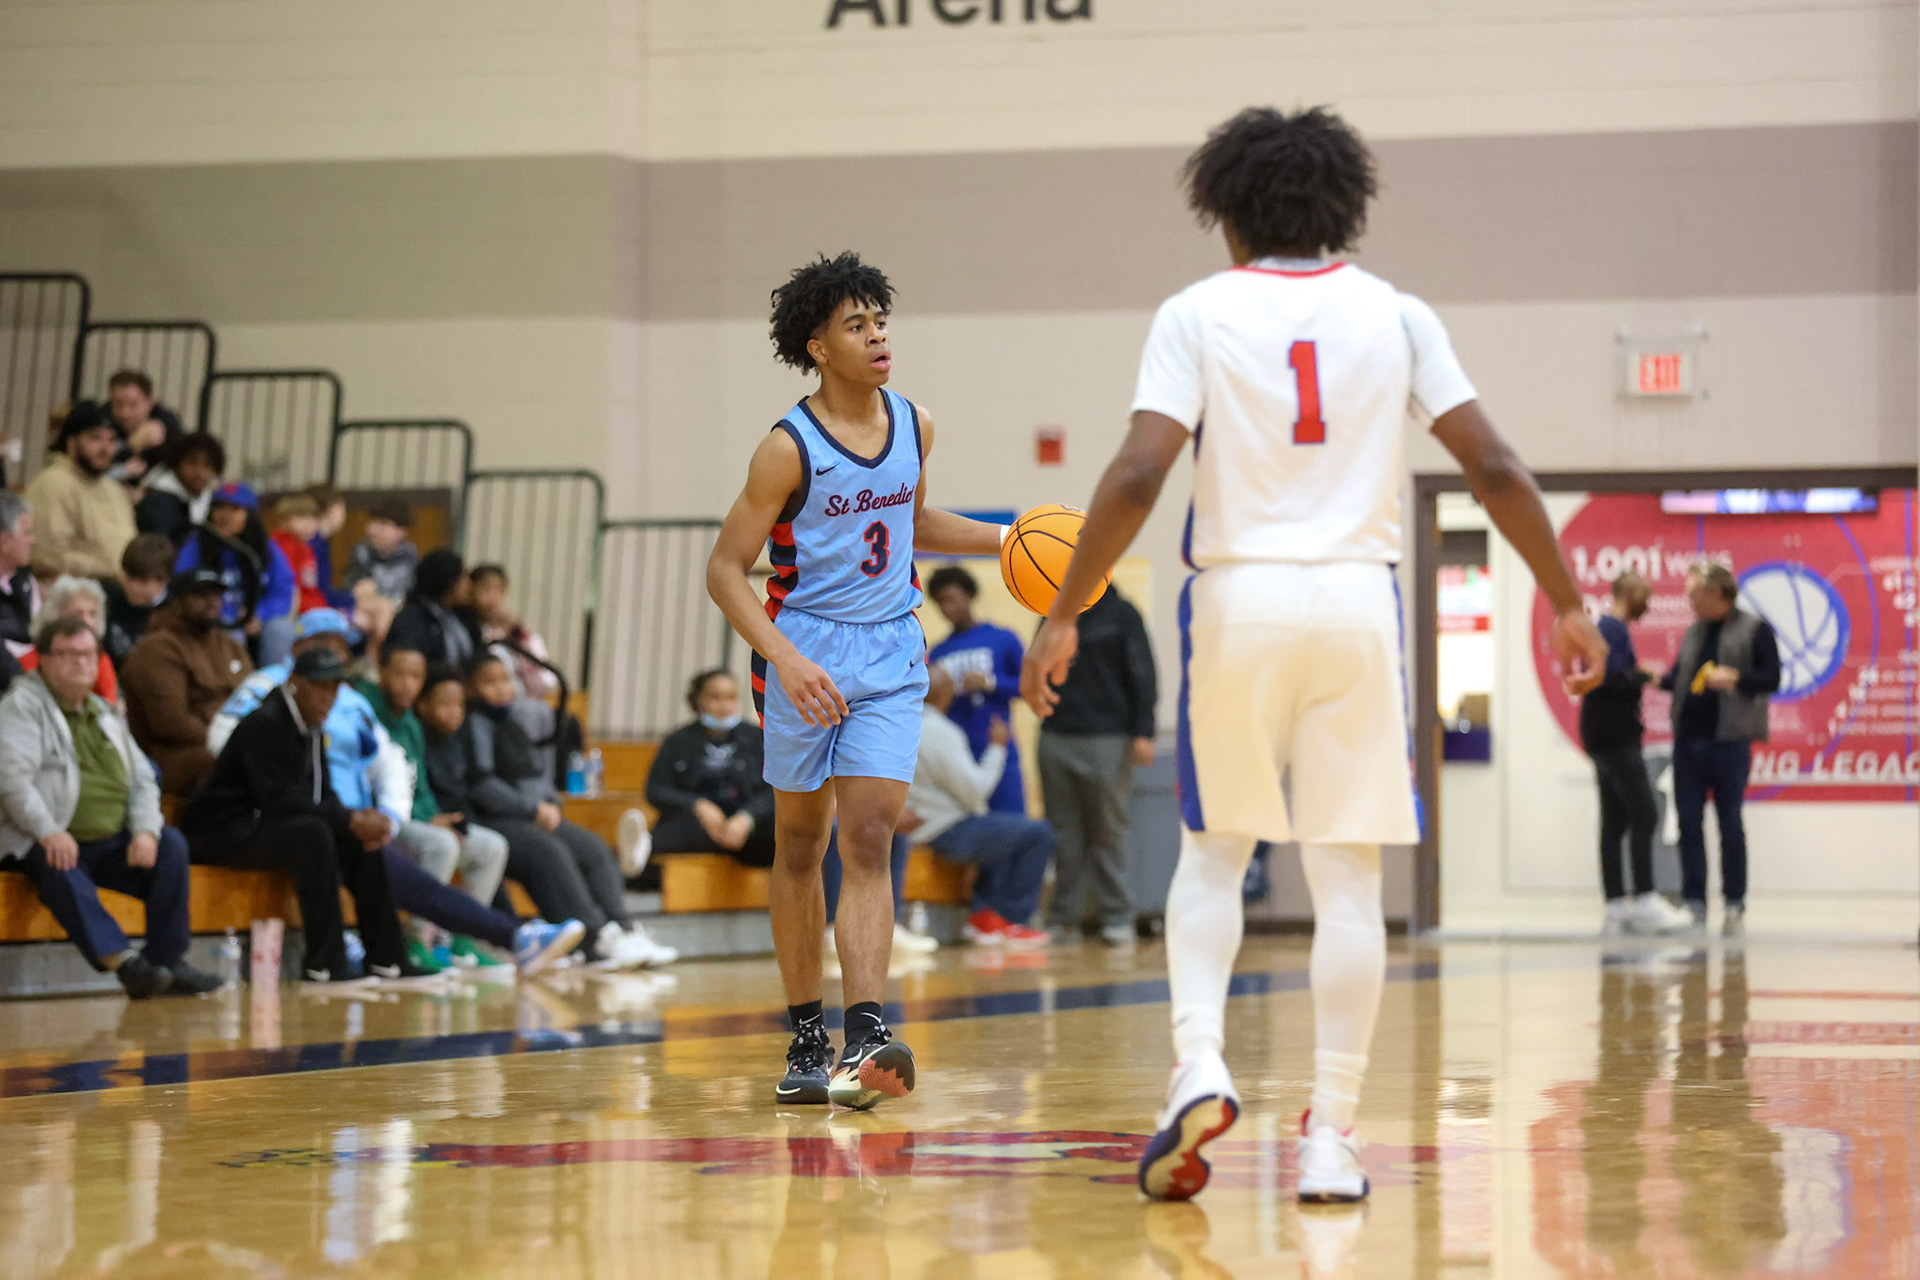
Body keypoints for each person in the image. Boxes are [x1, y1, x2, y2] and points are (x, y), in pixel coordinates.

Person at [1021, 106, 1608, 1204]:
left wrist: (1062, 610)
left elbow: (1141, 474)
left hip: (1237, 596)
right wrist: (1569, 602)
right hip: (1355, 599)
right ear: (1348, 206)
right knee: (1347, 877)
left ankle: (1199, 1060)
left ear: (1226, 212)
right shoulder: (1397, 314)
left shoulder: (1197, 312)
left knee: (1210, 851)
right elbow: (1494, 463)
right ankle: (1331, 1136)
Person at [705, 251, 1004, 1110]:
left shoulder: (916, 423)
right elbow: (727, 571)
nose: (877, 337)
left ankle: (866, 1031)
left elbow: (912, 523)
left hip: (890, 650)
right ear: (818, 347)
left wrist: (1012, 536)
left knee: (869, 836)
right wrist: (785, 660)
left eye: (881, 322)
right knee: (801, 844)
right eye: (856, 326)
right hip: (803, 652)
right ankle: (806, 1032)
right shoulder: (785, 449)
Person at [0, 617, 219, 998]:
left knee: (170, 844)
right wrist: (50, 830)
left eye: (87, 655)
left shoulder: (105, 713)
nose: (80, 663)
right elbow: (12, 781)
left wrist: (145, 830)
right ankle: (124, 962)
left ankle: (165, 963)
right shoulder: (20, 707)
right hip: (43, 836)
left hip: (108, 841)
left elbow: (142, 779)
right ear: (44, 661)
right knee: (59, 859)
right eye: (67, 655)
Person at [464, 653, 677, 969]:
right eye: (489, 682)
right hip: (497, 820)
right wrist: (532, 808)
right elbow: (482, 785)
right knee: (550, 852)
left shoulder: (516, 721)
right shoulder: (474, 723)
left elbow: (537, 775)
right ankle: (593, 939)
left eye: (504, 680)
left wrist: (550, 803)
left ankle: (623, 928)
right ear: (470, 687)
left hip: (536, 816)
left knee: (593, 848)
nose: (500, 689)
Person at [358, 645, 513, 968]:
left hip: (418, 819)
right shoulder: (365, 712)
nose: (406, 683)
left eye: (415, 676)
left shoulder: (412, 724)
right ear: (382, 672)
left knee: (491, 846)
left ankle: (463, 938)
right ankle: (416, 940)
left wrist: (433, 817)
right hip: (383, 822)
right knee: (440, 845)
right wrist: (426, 821)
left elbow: (421, 787)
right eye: (399, 673)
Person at [1660, 563, 1780, 938]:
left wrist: (1736, 679)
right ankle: (1694, 900)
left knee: (1730, 822)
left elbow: (1772, 678)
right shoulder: (1694, 631)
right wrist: (1653, 677)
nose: (1690, 601)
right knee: (1688, 823)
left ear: (1716, 593)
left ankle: (1734, 902)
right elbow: (1680, 676)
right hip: (1688, 741)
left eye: (1695, 593)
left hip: (1730, 741)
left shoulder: (1754, 629)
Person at [1037, 582, 1158, 946]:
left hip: (1109, 737)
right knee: (1063, 833)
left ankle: (1118, 916)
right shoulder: (1051, 610)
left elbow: (1143, 672)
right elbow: (1038, 668)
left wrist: (1144, 731)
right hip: (1056, 735)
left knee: (1109, 829)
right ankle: (1063, 918)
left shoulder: (1123, 613)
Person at [910, 666, 1053, 948]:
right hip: (946, 830)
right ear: (946, 694)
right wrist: (998, 748)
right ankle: (1012, 920)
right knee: (1038, 834)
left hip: (921, 829)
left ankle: (985, 918)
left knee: (1000, 833)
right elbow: (974, 790)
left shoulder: (904, 727)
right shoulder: (939, 731)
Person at [1581, 572, 1691, 937]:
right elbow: (1608, 679)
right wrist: (1640, 677)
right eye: (1644, 597)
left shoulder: (1609, 630)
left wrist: (1634, 674)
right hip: (1615, 736)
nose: (1648, 605)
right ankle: (1644, 896)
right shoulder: (1612, 629)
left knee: (1613, 820)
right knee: (1643, 813)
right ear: (1628, 594)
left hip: (1602, 735)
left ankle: (1616, 901)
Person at [120, 569, 251, 798]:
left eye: (216, 595)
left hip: (233, 741)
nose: (211, 601)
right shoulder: (158, 648)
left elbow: (256, 696)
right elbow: (171, 722)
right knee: (224, 764)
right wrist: (229, 744)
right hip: (174, 754)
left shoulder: (230, 646)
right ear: (177, 602)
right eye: (200, 595)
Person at [645, 669, 774, 869]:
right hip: (697, 827)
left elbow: (773, 790)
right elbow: (656, 789)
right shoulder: (677, 741)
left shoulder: (757, 738)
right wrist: (697, 805)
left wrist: (747, 817)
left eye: (731, 697)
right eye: (715, 697)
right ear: (698, 700)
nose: (724, 705)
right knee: (671, 831)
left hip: (749, 831)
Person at [925, 565, 1027, 814]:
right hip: (955, 753)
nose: (947, 609)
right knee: (972, 834)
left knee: (1013, 825)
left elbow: (1027, 686)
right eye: (940, 603)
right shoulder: (939, 652)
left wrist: (991, 683)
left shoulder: (1003, 638)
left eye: (952, 599)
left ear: (969, 594)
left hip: (997, 744)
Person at [174, 482, 297, 667]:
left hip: (257, 620)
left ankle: (273, 686)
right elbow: (183, 587)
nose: (226, 515)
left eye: (235, 509)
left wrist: (259, 614)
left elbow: (283, 590)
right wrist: (228, 615)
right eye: (220, 507)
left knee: (281, 629)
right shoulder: (196, 545)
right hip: (215, 620)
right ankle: (235, 688)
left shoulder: (266, 548)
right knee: (231, 634)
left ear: (250, 515)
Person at [25, 400, 137, 581]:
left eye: (112, 440)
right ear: (71, 440)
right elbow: (46, 557)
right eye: (95, 438)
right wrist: (110, 570)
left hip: (121, 591)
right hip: (73, 597)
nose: (106, 449)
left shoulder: (113, 489)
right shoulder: (54, 483)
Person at [17, 576, 120, 703]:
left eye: (92, 614)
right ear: (54, 617)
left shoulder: (101, 660)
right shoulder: (29, 663)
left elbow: (109, 707)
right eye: (76, 614)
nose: (86, 622)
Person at [470, 563, 558, 697]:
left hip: (523, 694)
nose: (492, 597)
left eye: (498, 590)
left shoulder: (515, 629)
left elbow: (548, 676)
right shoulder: (469, 628)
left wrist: (517, 633)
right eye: (485, 589)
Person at [387, 549, 480, 671]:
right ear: (448, 580)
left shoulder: (465, 616)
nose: (469, 584)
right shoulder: (413, 619)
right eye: (463, 577)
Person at [134, 431, 226, 547]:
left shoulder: (211, 500)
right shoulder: (159, 500)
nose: (200, 472)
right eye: (192, 463)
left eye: (207, 465)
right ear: (175, 465)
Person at [102, 533, 176, 666]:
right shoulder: (107, 596)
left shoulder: (175, 613)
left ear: (165, 580)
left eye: (144, 582)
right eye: (129, 577)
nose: (133, 587)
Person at [105, 370, 184, 482]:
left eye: (133, 404)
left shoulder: (167, 426)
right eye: (118, 404)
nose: (125, 413)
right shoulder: (102, 422)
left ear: (150, 403)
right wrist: (131, 446)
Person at [344, 499, 419, 607]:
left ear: (401, 530)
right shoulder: (361, 554)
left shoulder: (410, 558)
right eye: (371, 522)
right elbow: (353, 592)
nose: (371, 530)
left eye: (382, 524)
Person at [0, 491, 40, 670]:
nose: (33, 540)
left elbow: (40, 636)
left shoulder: (25, 581)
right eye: (28, 533)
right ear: (4, 541)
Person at [269, 494, 328, 614]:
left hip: (312, 605)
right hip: (294, 609)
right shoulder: (283, 546)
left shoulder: (306, 546)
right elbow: (291, 588)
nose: (309, 522)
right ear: (283, 521)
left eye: (313, 517)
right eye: (301, 517)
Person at [302, 485, 357, 611]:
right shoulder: (313, 543)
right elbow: (319, 590)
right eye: (343, 509)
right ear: (332, 508)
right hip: (314, 607)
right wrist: (353, 597)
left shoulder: (320, 541)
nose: (344, 515)